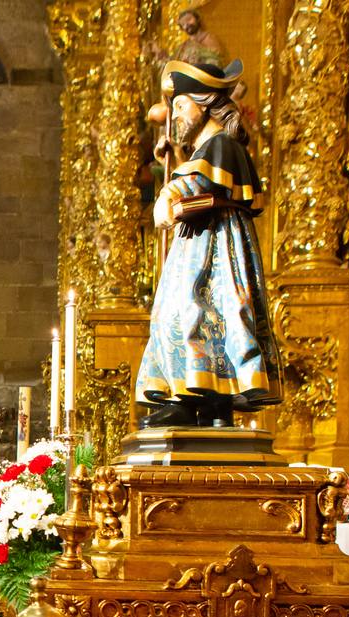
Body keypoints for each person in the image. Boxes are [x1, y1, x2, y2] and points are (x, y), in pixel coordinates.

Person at [137, 59, 281, 427]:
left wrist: (168, 194)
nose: (177, 115)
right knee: (182, 311)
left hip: (215, 246)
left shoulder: (222, 146)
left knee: (198, 311)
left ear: (202, 103)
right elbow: (198, 174)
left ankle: (197, 397)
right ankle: (202, 400)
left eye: (182, 105)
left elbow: (198, 183)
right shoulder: (205, 150)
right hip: (197, 239)